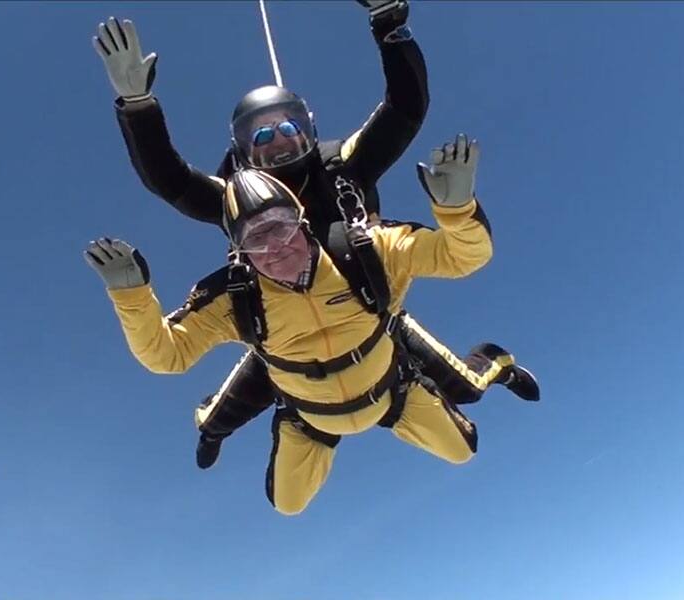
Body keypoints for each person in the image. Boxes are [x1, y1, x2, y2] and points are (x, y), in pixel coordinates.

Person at [92, 4, 537, 470]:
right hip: (282, 335)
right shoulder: (238, 199)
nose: (278, 140)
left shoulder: (342, 167)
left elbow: (404, 108)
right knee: (219, 418)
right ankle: (233, 425)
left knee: (466, 387)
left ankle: (496, 361)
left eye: (290, 127)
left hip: (369, 316)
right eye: (260, 136)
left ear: (310, 128)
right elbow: (170, 180)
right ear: (241, 153)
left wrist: (390, 23)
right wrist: (136, 106)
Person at [85, 135, 537, 515]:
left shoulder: (366, 252)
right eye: (254, 240)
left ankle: (496, 360)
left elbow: (463, 257)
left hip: (391, 390)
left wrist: (457, 210)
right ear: (238, 250)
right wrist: (132, 298)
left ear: (304, 221)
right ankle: (218, 422)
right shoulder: (234, 295)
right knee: (287, 504)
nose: (275, 248)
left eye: (280, 226)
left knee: (463, 445)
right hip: (310, 414)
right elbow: (166, 355)